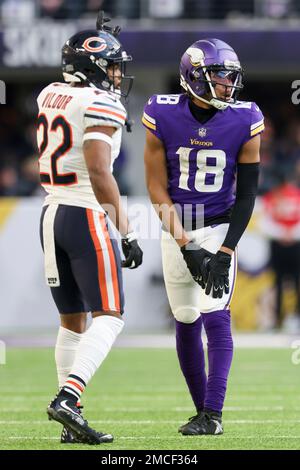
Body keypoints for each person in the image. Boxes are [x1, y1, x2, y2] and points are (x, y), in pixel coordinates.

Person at [143, 38, 263, 435]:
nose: (228, 85)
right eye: (219, 76)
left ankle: (213, 414)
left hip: (218, 222)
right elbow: (157, 190)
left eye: (231, 78)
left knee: (216, 313)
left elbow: (247, 193)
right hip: (177, 222)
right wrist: (184, 244)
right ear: (193, 77)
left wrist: (226, 250)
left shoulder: (246, 119)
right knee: (184, 317)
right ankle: (201, 412)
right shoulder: (162, 113)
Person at [37, 11, 143, 445]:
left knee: (71, 320)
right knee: (110, 316)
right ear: (94, 66)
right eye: (114, 66)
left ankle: (72, 419)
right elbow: (100, 173)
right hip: (83, 212)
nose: (118, 75)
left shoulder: (49, 93)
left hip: (50, 213)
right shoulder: (101, 103)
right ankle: (68, 396)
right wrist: (128, 230)